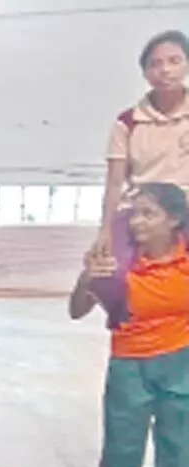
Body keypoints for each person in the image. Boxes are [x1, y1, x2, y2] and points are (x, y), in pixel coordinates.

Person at [69, 182, 189, 467]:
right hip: (129, 367)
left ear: (174, 220)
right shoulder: (117, 261)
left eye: (149, 213)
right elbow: (76, 311)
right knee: (122, 454)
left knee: (177, 455)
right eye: (134, 213)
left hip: (181, 365)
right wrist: (88, 277)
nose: (137, 221)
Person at [91, 30, 189, 327]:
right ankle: (125, 326)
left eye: (174, 61)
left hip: (184, 208)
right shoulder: (127, 122)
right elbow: (114, 183)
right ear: (145, 72)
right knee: (112, 275)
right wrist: (105, 231)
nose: (166, 70)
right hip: (142, 211)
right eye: (156, 64)